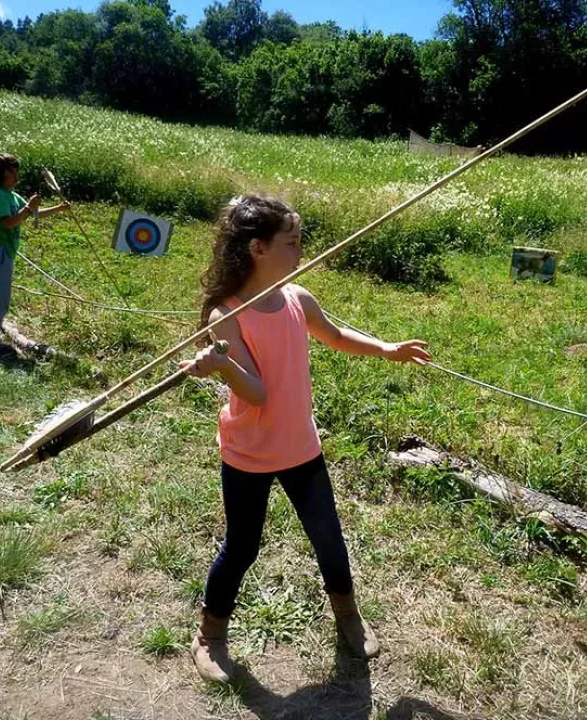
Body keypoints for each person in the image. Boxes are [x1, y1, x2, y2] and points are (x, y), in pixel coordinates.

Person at [183, 195, 430, 683]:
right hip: (249, 454)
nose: (300, 252)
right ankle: (210, 635)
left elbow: (335, 336)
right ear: (258, 249)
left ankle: (349, 618)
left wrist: (386, 349)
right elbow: (255, 393)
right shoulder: (227, 315)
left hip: (300, 446)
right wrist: (222, 364)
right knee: (243, 547)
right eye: (291, 243)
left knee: (328, 538)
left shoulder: (298, 298)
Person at [0, 153, 69, 357]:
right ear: (2, 174)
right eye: (12, 170)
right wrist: (28, 207)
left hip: (4, 250)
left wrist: (59, 209)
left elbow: (34, 213)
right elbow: (9, 222)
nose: (17, 174)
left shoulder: (11, 195)